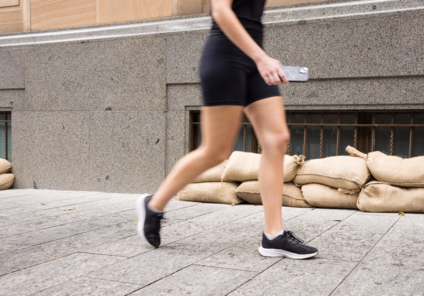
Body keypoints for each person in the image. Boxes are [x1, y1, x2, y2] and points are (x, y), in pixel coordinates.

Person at [136, 0, 318, 259]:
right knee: (216, 151)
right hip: (225, 57)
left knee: (277, 139)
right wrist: (261, 58)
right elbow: (220, 10)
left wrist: (259, 58)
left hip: (254, 57)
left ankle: (273, 236)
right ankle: (153, 205)